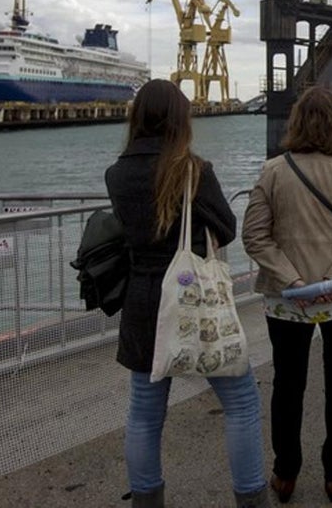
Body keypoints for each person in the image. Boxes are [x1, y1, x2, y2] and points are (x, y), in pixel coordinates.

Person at [104, 79, 268, 508]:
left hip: (143, 299)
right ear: (179, 120)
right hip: (194, 298)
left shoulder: (116, 173)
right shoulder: (193, 169)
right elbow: (228, 228)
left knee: (143, 412)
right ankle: (252, 499)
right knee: (241, 402)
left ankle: (148, 501)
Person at [242, 86, 332, 504]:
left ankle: (285, 473)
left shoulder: (274, 170)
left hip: (286, 301)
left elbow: (253, 235)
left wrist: (291, 280)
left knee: (287, 383)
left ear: (297, 122)